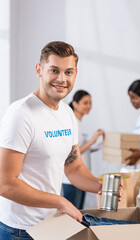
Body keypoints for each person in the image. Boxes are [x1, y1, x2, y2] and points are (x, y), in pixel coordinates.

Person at [0, 41, 123, 239]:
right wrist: (60, 201)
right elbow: (5, 184)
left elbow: (73, 168)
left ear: (75, 74)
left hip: (51, 225)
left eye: (68, 72)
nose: (61, 79)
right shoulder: (21, 114)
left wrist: (99, 185)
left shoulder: (67, 114)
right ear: (39, 70)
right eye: (54, 70)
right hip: (20, 230)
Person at [63, 90, 105, 209]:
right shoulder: (71, 123)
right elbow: (74, 152)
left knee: (79, 213)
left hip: (82, 177)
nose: (89, 106)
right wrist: (92, 140)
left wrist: (101, 144)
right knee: (71, 215)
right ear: (75, 104)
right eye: (85, 103)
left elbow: (84, 149)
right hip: (72, 179)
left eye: (90, 103)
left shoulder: (80, 124)